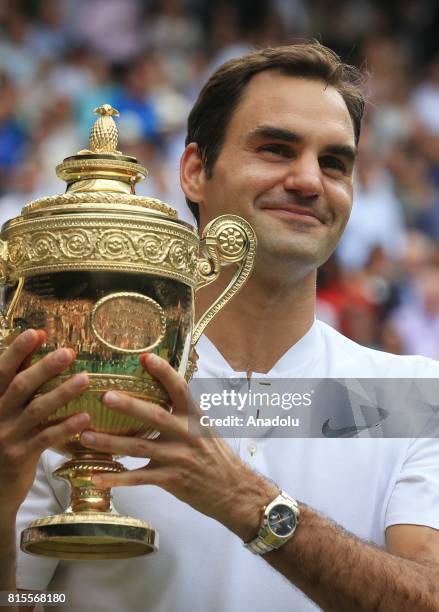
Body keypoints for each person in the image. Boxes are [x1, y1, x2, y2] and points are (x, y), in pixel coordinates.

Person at [1, 42, 439, 612]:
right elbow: (26, 601)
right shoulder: (78, 379)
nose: (309, 180)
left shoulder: (411, 395)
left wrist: (247, 502)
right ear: (194, 172)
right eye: (276, 149)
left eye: (334, 163)